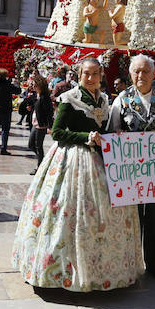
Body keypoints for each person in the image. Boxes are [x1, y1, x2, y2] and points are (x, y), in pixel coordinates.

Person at [12, 58, 142, 291]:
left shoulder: (103, 99)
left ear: (101, 75)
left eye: (94, 74)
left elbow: (105, 131)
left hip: (99, 162)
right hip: (72, 160)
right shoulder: (69, 99)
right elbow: (59, 132)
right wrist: (85, 137)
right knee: (67, 214)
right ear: (79, 75)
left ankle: (102, 270)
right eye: (86, 74)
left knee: (100, 218)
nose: (90, 78)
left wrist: (114, 134)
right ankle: (61, 270)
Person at [108, 55, 155, 279]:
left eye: (145, 71)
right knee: (133, 217)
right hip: (131, 170)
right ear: (130, 74)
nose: (141, 75)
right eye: (136, 71)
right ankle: (133, 261)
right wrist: (117, 135)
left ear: (154, 74)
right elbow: (113, 128)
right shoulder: (122, 98)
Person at [0, 68, 21, 155]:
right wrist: (16, 83)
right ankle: (3, 148)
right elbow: (18, 91)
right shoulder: (7, 85)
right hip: (5, 110)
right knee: (5, 129)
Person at [27, 74, 52, 175]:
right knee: (31, 145)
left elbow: (49, 112)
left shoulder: (45, 97)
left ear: (40, 85)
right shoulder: (37, 95)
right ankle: (43, 160)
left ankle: (39, 167)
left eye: (34, 85)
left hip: (41, 125)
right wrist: (31, 107)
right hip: (35, 124)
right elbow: (37, 108)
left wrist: (50, 126)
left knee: (38, 146)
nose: (33, 87)